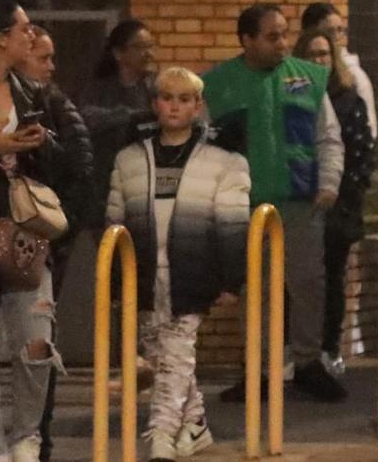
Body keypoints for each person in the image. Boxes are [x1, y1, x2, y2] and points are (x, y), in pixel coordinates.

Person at [202, 3, 346, 402]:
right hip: (244, 205)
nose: (283, 43)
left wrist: (329, 182)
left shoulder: (307, 79)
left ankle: (307, 362)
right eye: (272, 36)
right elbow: (204, 145)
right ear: (246, 40)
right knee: (255, 290)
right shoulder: (219, 85)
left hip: (300, 200)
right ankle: (260, 371)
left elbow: (327, 137)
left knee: (307, 284)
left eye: (284, 33)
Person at [106, 67, 248, 462]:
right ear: (155, 104)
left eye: (185, 99)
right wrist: (118, 280)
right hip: (146, 273)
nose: (174, 106)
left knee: (178, 350)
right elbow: (115, 221)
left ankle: (161, 436)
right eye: (167, 98)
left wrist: (231, 279)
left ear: (198, 106)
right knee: (161, 353)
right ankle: (196, 423)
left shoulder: (225, 161)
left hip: (194, 269)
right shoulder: (130, 159)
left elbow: (234, 222)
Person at [0, 3, 72, 462]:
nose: (32, 36)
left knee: (35, 342)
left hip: (25, 236)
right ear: (1, 38)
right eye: (24, 29)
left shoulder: (31, 92)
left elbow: (65, 165)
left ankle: (27, 439)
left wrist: (41, 145)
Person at [15, 26, 90, 462]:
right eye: (42, 57)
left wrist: (57, 235)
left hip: (41, 246)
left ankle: (37, 439)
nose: (51, 66)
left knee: (38, 343)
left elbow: (80, 171)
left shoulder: (56, 108)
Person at [292, 30, 375, 379]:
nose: (319, 61)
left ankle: (327, 348)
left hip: (338, 204)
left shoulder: (347, 98)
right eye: (312, 54)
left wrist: (345, 193)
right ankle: (298, 352)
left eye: (325, 54)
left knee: (331, 278)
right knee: (301, 282)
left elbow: (359, 153)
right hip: (300, 203)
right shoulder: (293, 95)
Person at [81, 20, 158, 213]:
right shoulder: (97, 88)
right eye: (140, 47)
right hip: (103, 186)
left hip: (145, 185)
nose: (149, 54)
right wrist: (130, 115)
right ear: (118, 53)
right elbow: (86, 116)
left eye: (150, 47)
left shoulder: (157, 87)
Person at [299, 4, 377, 143]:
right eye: (330, 31)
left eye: (340, 30)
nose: (336, 37)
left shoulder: (354, 76)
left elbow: (368, 129)